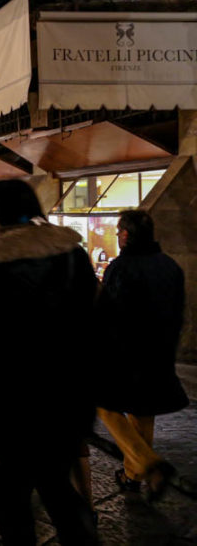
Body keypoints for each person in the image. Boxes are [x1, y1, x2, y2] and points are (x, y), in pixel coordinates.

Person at [0, 180, 98, 546]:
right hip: (65, 403)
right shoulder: (72, 256)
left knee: (13, 508)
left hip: (9, 412)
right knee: (60, 492)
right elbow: (91, 333)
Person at [95, 209, 186, 501]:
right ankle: (133, 475)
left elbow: (110, 314)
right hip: (160, 352)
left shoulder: (121, 268)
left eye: (119, 230)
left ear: (126, 234)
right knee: (143, 413)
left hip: (126, 354)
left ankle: (147, 464)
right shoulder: (171, 266)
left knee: (105, 406)